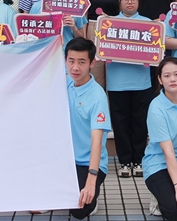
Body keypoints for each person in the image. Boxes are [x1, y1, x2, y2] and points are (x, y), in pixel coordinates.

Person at [107, 0, 154, 178]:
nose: (129, 2)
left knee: (140, 123)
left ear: (138, 2)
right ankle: (124, 162)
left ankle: (139, 160)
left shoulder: (149, 24)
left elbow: (156, 52)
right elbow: (102, 49)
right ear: (119, 2)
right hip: (117, 82)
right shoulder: (109, 24)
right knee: (120, 124)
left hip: (141, 82)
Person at [65, 37, 111, 220]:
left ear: (92, 63)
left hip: (88, 163)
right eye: (71, 61)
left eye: (82, 62)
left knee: (79, 210)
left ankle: (93, 196)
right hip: (65, 158)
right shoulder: (66, 82)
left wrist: (92, 179)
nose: (75, 68)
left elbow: (96, 142)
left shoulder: (97, 97)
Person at [142, 58, 177, 221]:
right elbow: (168, 152)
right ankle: (159, 195)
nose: (172, 79)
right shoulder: (156, 108)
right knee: (176, 213)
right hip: (159, 165)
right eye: (167, 76)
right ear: (160, 80)